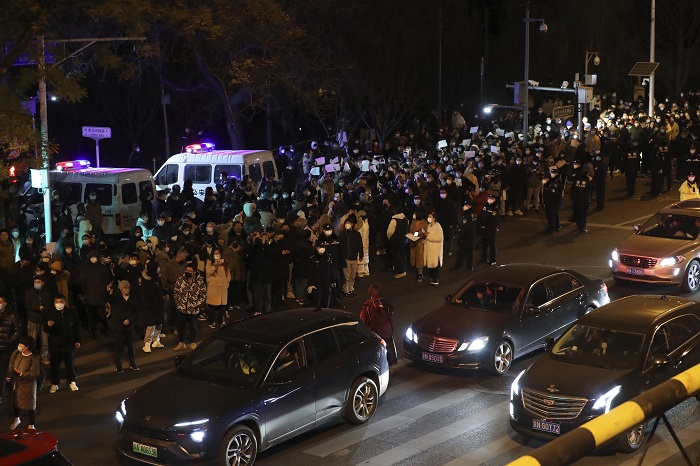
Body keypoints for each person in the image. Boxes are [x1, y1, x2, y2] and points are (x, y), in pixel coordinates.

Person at [43, 294, 81, 393]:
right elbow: (45, 329)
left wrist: (77, 340)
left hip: (69, 343)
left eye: (61, 302)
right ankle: (55, 383)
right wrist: (49, 326)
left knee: (70, 363)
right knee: (55, 364)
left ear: (65, 302)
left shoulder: (71, 312)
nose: (59, 304)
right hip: (55, 344)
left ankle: (72, 381)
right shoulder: (50, 313)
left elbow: (77, 327)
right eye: (57, 302)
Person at [7, 336, 41, 430]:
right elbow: (11, 363)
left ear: (27, 347)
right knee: (16, 402)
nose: (19, 346)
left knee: (30, 405)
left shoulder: (33, 359)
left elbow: (34, 374)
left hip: (28, 386)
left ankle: (31, 425)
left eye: (21, 344)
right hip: (17, 384)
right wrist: (9, 375)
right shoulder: (16, 353)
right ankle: (16, 419)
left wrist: (22, 373)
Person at [359, 284, 397, 366]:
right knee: (389, 347)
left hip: (375, 331)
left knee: (377, 350)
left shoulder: (367, 305)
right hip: (387, 330)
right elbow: (391, 312)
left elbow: (363, 319)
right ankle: (391, 365)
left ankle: (380, 367)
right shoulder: (385, 302)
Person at [108, 281, 140, 373]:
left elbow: (136, 312)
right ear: (121, 289)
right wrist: (108, 291)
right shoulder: (115, 298)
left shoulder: (133, 299)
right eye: (124, 288)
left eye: (128, 287)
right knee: (118, 346)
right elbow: (106, 299)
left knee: (130, 345)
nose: (127, 289)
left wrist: (129, 320)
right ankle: (118, 365)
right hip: (118, 325)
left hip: (128, 326)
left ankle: (133, 363)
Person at [173, 264, 206, 351]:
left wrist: (196, 305)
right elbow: (176, 292)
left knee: (193, 327)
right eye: (186, 270)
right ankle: (181, 343)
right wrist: (179, 303)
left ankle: (193, 342)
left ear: (194, 272)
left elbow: (202, 295)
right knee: (180, 326)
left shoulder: (200, 282)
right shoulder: (180, 280)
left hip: (193, 310)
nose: (188, 272)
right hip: (181, 308)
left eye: (190, 271)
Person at [140, 261, 166, 353]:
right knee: (151, 325)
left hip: (158, 305)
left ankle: (156, 340)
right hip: (150, 307)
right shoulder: (146, 281)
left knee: (159, 323)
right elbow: (144, 296)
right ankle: (147, 343)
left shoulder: (157, 279)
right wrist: (150, 305)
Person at [0, 296, 20, 404]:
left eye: (0, 302)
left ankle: (1, 394)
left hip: (5, 349)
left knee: (2, 372)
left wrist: (8, 341)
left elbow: (17, 331)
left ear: (5, 303)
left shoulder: (12, 316)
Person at [206, 249, 231, 328]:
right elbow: (209, 273)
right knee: (212, 306)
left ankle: (222, 321)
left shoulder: (224, 264)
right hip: (213, 288)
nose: (217, 255)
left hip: (222, 288)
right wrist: (215, 265)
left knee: (222, 306)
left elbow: (228, 273)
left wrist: (227, 282)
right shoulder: (210, 262)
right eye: (215, 253)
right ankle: (212, 321)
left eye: (218, 253)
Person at [339, 214, 363, 298]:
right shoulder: (342, 235)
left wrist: (361, 254)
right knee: (346, 276)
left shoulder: (356, 234)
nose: (347, 224)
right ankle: (346, 290)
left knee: (352, 276)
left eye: (349, 223)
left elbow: (360, 245)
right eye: (346, 223)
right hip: (346, 258)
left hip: (354, 258)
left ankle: (351, 289)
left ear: (352, 224)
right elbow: (340, 247)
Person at [453, 200, 477, 270]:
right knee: (469, 252)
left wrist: (461, 238)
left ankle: (459, 266)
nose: (465, 206)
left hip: (466, 237)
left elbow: (464, 228)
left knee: (462, 252)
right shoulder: (473, 214)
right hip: (472, 236)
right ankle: (469, 266)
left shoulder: (467, 215)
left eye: (467, 205)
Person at [421, 211, 444, 285]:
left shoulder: (438, 226)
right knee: (430, 264)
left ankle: (435, 278)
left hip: (435, 249)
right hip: (429, 248)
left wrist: (428, 237)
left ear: (434, 218)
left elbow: (439, 238)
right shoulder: (429, 226)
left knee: (435, 264)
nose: (429, 218)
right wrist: (425, 240)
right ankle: (432, 277)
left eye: (430, 217)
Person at [570, 160, 592, 233]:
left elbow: (572, 187)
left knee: (578, 213)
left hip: (577, 199)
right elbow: (592, 188)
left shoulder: (576, 179)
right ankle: (581, 227)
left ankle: (578, 224)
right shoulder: (587, 181)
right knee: (582, 215)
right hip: (584, 199)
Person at [479, 193, 499, 265]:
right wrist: (481, 224)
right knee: (484, 244)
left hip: (491, 228)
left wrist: (486, 224)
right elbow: (481, 215)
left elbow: (493, 219)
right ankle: (484, 257)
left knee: (491, 244)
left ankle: (493, 259)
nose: (489, 200)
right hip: (484, 228)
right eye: (489, 198)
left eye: (491, 199)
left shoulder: (495, 209)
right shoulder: (485, 206)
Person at [542, 168, 564, 233]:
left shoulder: (557, 181)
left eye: (553, 173)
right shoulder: (552, 180)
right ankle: (556, 226)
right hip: (550, 202)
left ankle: (552, 229)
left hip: (553, 202)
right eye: (551, 173)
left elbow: (554, 192)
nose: (552, 174)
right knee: (555, 214)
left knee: (551, 215)